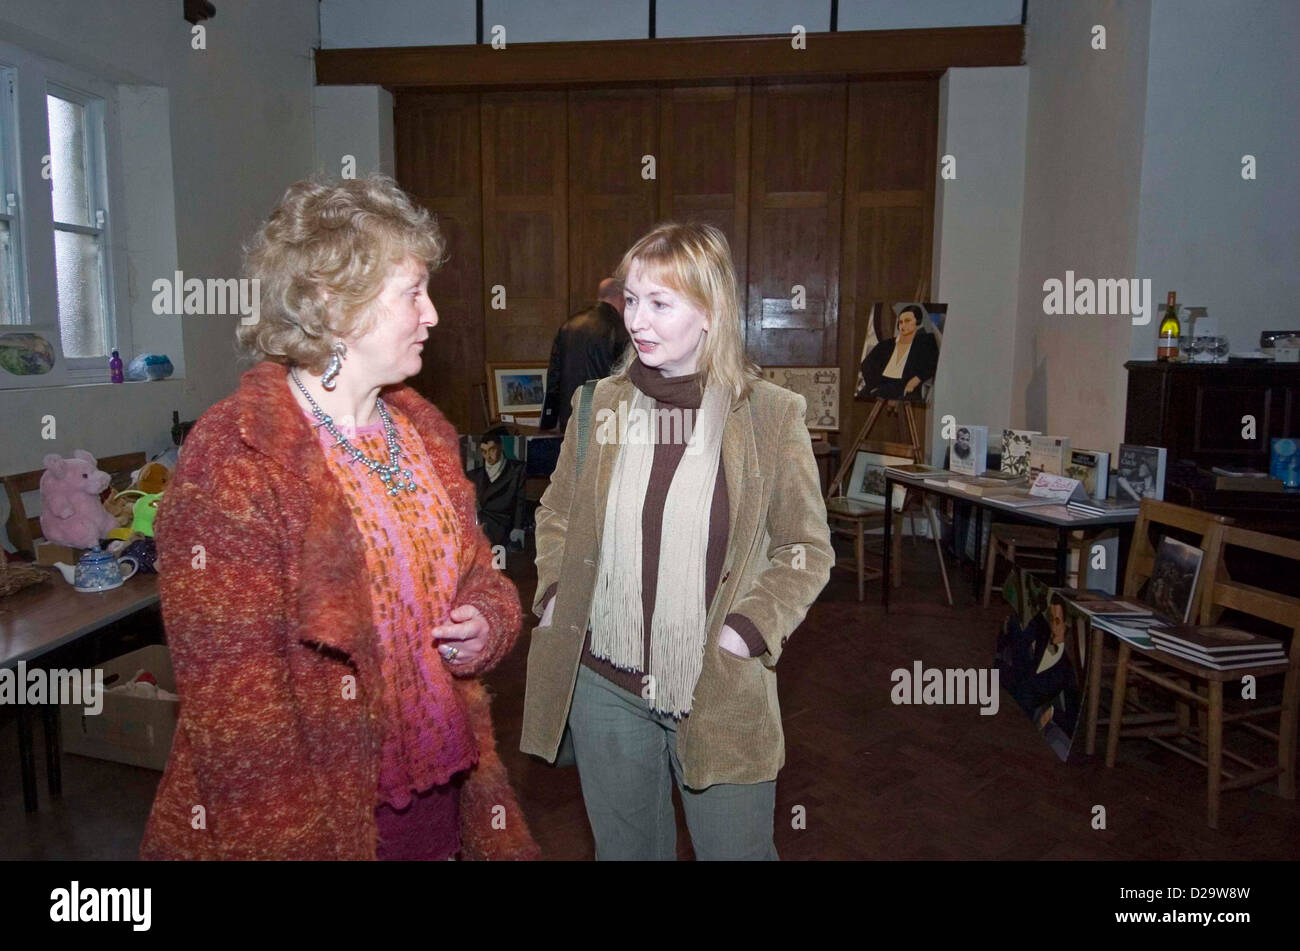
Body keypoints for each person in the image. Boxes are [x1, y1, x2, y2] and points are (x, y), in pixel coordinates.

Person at [139, 176, 537, 861]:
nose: (432, 315)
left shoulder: (424, 431)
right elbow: (238, 718)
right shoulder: (234, 454)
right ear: (331, 300)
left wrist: (488, 623)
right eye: (412, 292)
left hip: (441, 796)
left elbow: (484, 576)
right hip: (308, 823)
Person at [521, 222, 833, 860]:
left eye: (661, 303)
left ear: (712, 312)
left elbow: (806, 549)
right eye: (632, 300)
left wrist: (746, 631)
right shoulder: (599, 403)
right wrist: (555, 589)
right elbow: (555, 509)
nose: (638, 320)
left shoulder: (771, 416)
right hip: (604, 680)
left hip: (714, 683)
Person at [538, 278, 629, 431]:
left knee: (575, 454)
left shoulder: (569, 325)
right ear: (621, 297)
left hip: (570, 417)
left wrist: (549, 419)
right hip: (605, 420)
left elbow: (554, 376)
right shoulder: (621, 329)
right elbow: (626, 380)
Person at [860, 303, 939, 402]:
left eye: (907, 321)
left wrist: (917, 378)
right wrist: (876, 385)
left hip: (905, 390)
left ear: (917, 322)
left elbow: (933, 363)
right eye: (900, 322)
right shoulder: (886, 345)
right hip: (879, 387)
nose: (903, 325)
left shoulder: (925, 342)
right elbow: (866, 365)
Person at [470, 427, 527, 549]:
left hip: (503, 525)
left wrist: (517, 528)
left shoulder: (517, 469)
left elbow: (520, 501)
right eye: (484, 452)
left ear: (500, 447)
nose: (488, 456)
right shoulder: (474, 474)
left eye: (491, 450)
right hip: (479, 525)